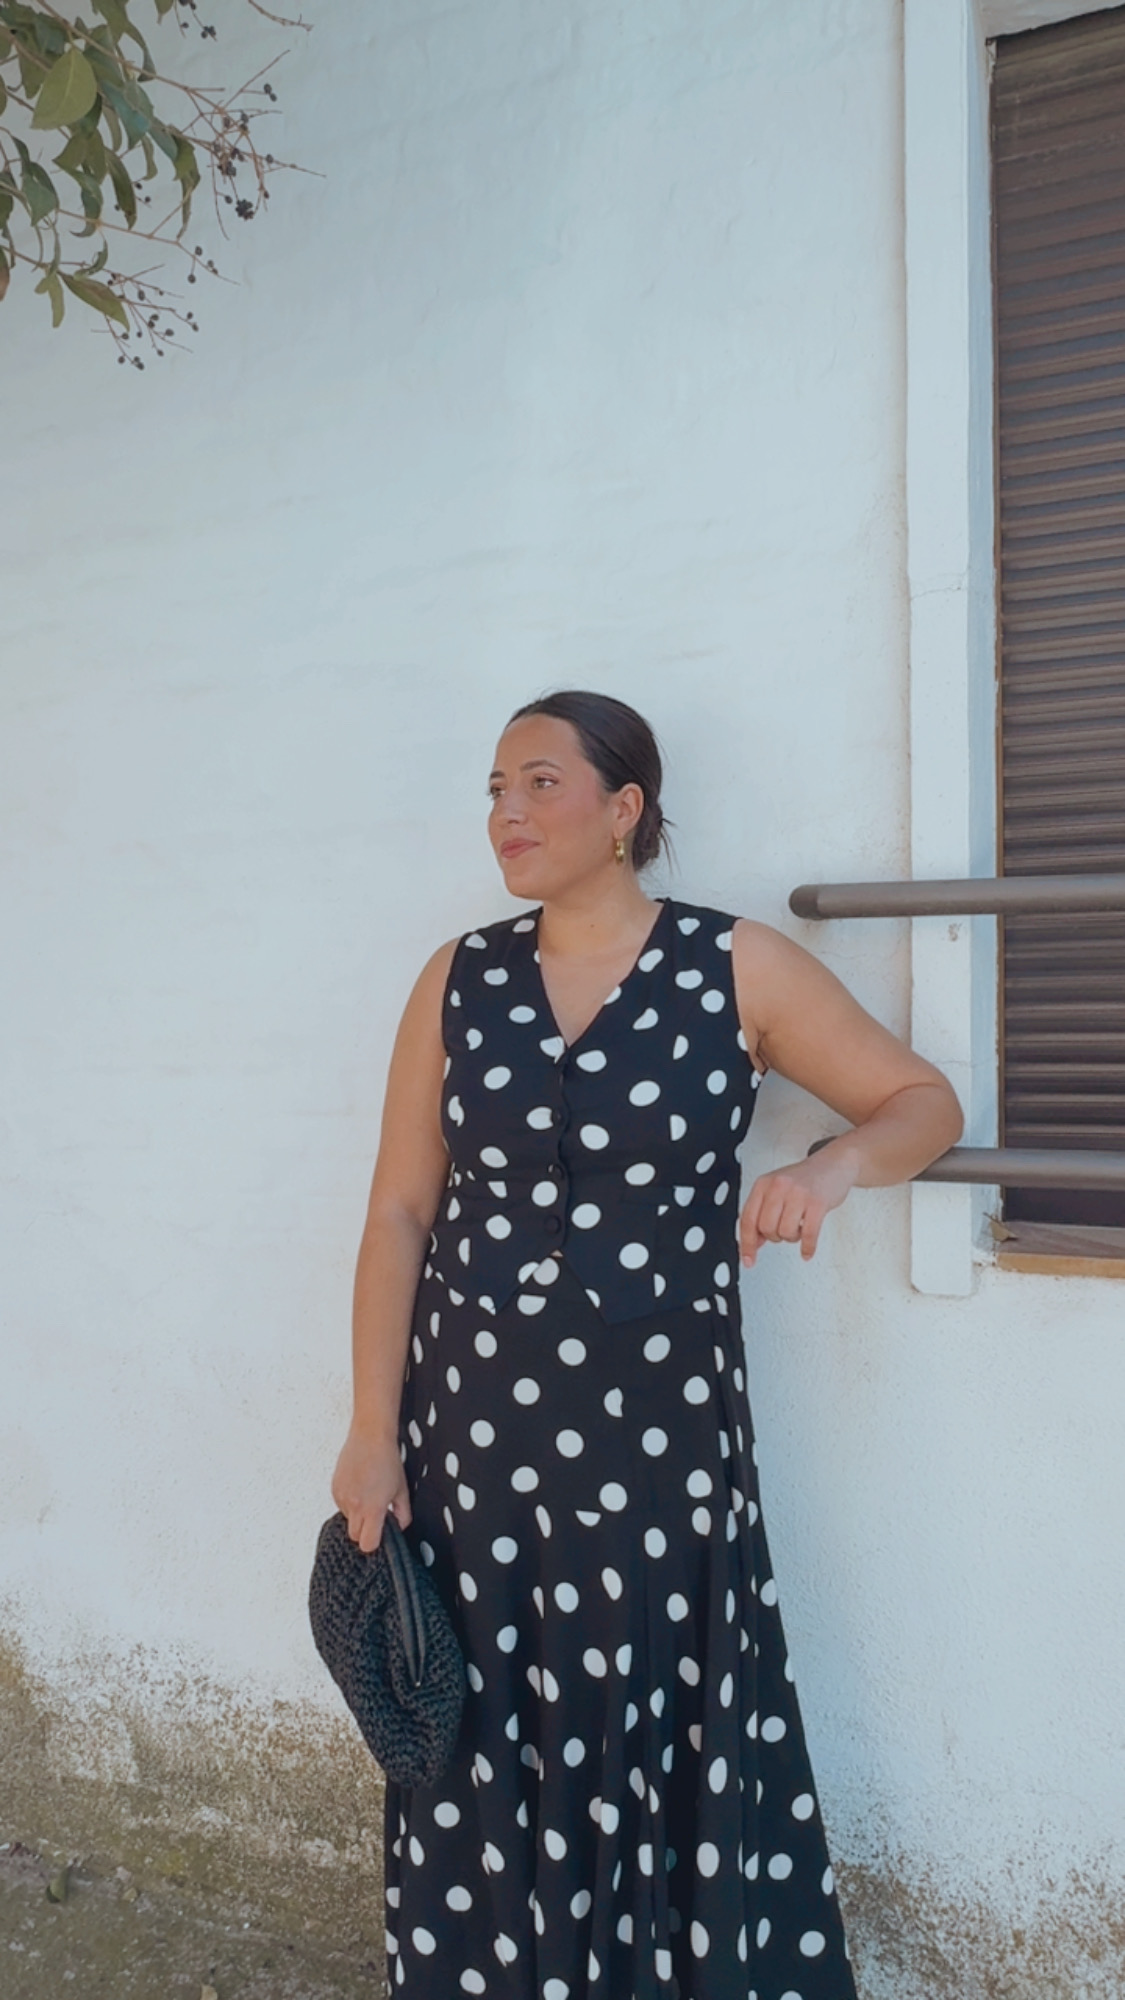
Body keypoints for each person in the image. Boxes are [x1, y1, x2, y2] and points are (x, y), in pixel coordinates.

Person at [332, 689, 963, 2000]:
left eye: (540, 782)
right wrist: (369, 1431)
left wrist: (831, 1167)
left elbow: (923, 1102)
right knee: (481, 1727)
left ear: (624, 810)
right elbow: (398, 1213)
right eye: (495, 788)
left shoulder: (735, 966)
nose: (507, 813)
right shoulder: (456, 979)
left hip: (658, 1440)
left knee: (649, 1718)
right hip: (473, 1444)